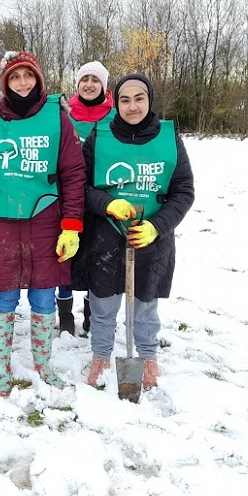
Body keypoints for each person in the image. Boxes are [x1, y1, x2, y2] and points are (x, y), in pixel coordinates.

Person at [0, 51, 86, 396]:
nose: (23, 82)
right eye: (15, 77)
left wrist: (72, 223)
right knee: (4, 295)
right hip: (2, 218)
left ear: (38, 79)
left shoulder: (57, 117)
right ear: (5, 83)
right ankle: (2, 365)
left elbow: (73, 174)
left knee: (44, 297)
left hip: (46, 217)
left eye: (28, 75)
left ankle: (43, 363)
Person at [72, 74, 194, 389]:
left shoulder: (169, 138)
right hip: (106, 236)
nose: (132, 106)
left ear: (149, 100)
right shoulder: (99, 137)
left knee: (145, 304)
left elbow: (183, 191)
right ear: (117, 103)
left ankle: (148, 355)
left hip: (151, 237)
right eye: (125, 100)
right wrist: (106, 204)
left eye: (139, 98)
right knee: (102, 304)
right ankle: (100, 353)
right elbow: (80, 186)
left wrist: (157, 226)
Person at [58, 60, 116, 336]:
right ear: (77, 84)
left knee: (95, 258)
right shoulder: (63, 114)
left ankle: (92, 315)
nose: (89, 85)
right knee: (65, 256)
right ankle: (65, 315)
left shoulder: (114, 119)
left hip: (100, 199)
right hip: (67, 196)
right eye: (85, 80)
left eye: (96, 80)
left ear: (104, 87)